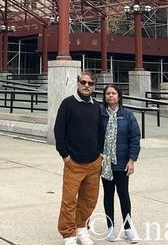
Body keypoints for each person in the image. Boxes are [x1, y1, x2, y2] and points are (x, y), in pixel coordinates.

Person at [54, 70, 103, 245]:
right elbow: (59, 131)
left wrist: (100, 154)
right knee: (69, 200)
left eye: (90, 83)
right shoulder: (67, 104)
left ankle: (81, 228)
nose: (86, 86)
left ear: (94, 86)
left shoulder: (97, 106)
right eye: (83, 82)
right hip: (73, 162)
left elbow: (101, 132)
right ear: (77, 83)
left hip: (93, 162)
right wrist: (65, 155)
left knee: (89, 200)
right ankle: (68, 234)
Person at [99, 84, 140, 243]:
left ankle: (128, 228)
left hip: (122, 162)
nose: (110, 96)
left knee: (124, 194)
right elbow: (95, 136)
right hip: (106, 164)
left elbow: (134, 138)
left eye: (113, 93)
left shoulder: (128, 115)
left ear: (119, 96)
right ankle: (110, 228)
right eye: (108, 93)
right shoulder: (100, 115)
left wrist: (132, 160)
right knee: (108, 195)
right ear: (104, 97)